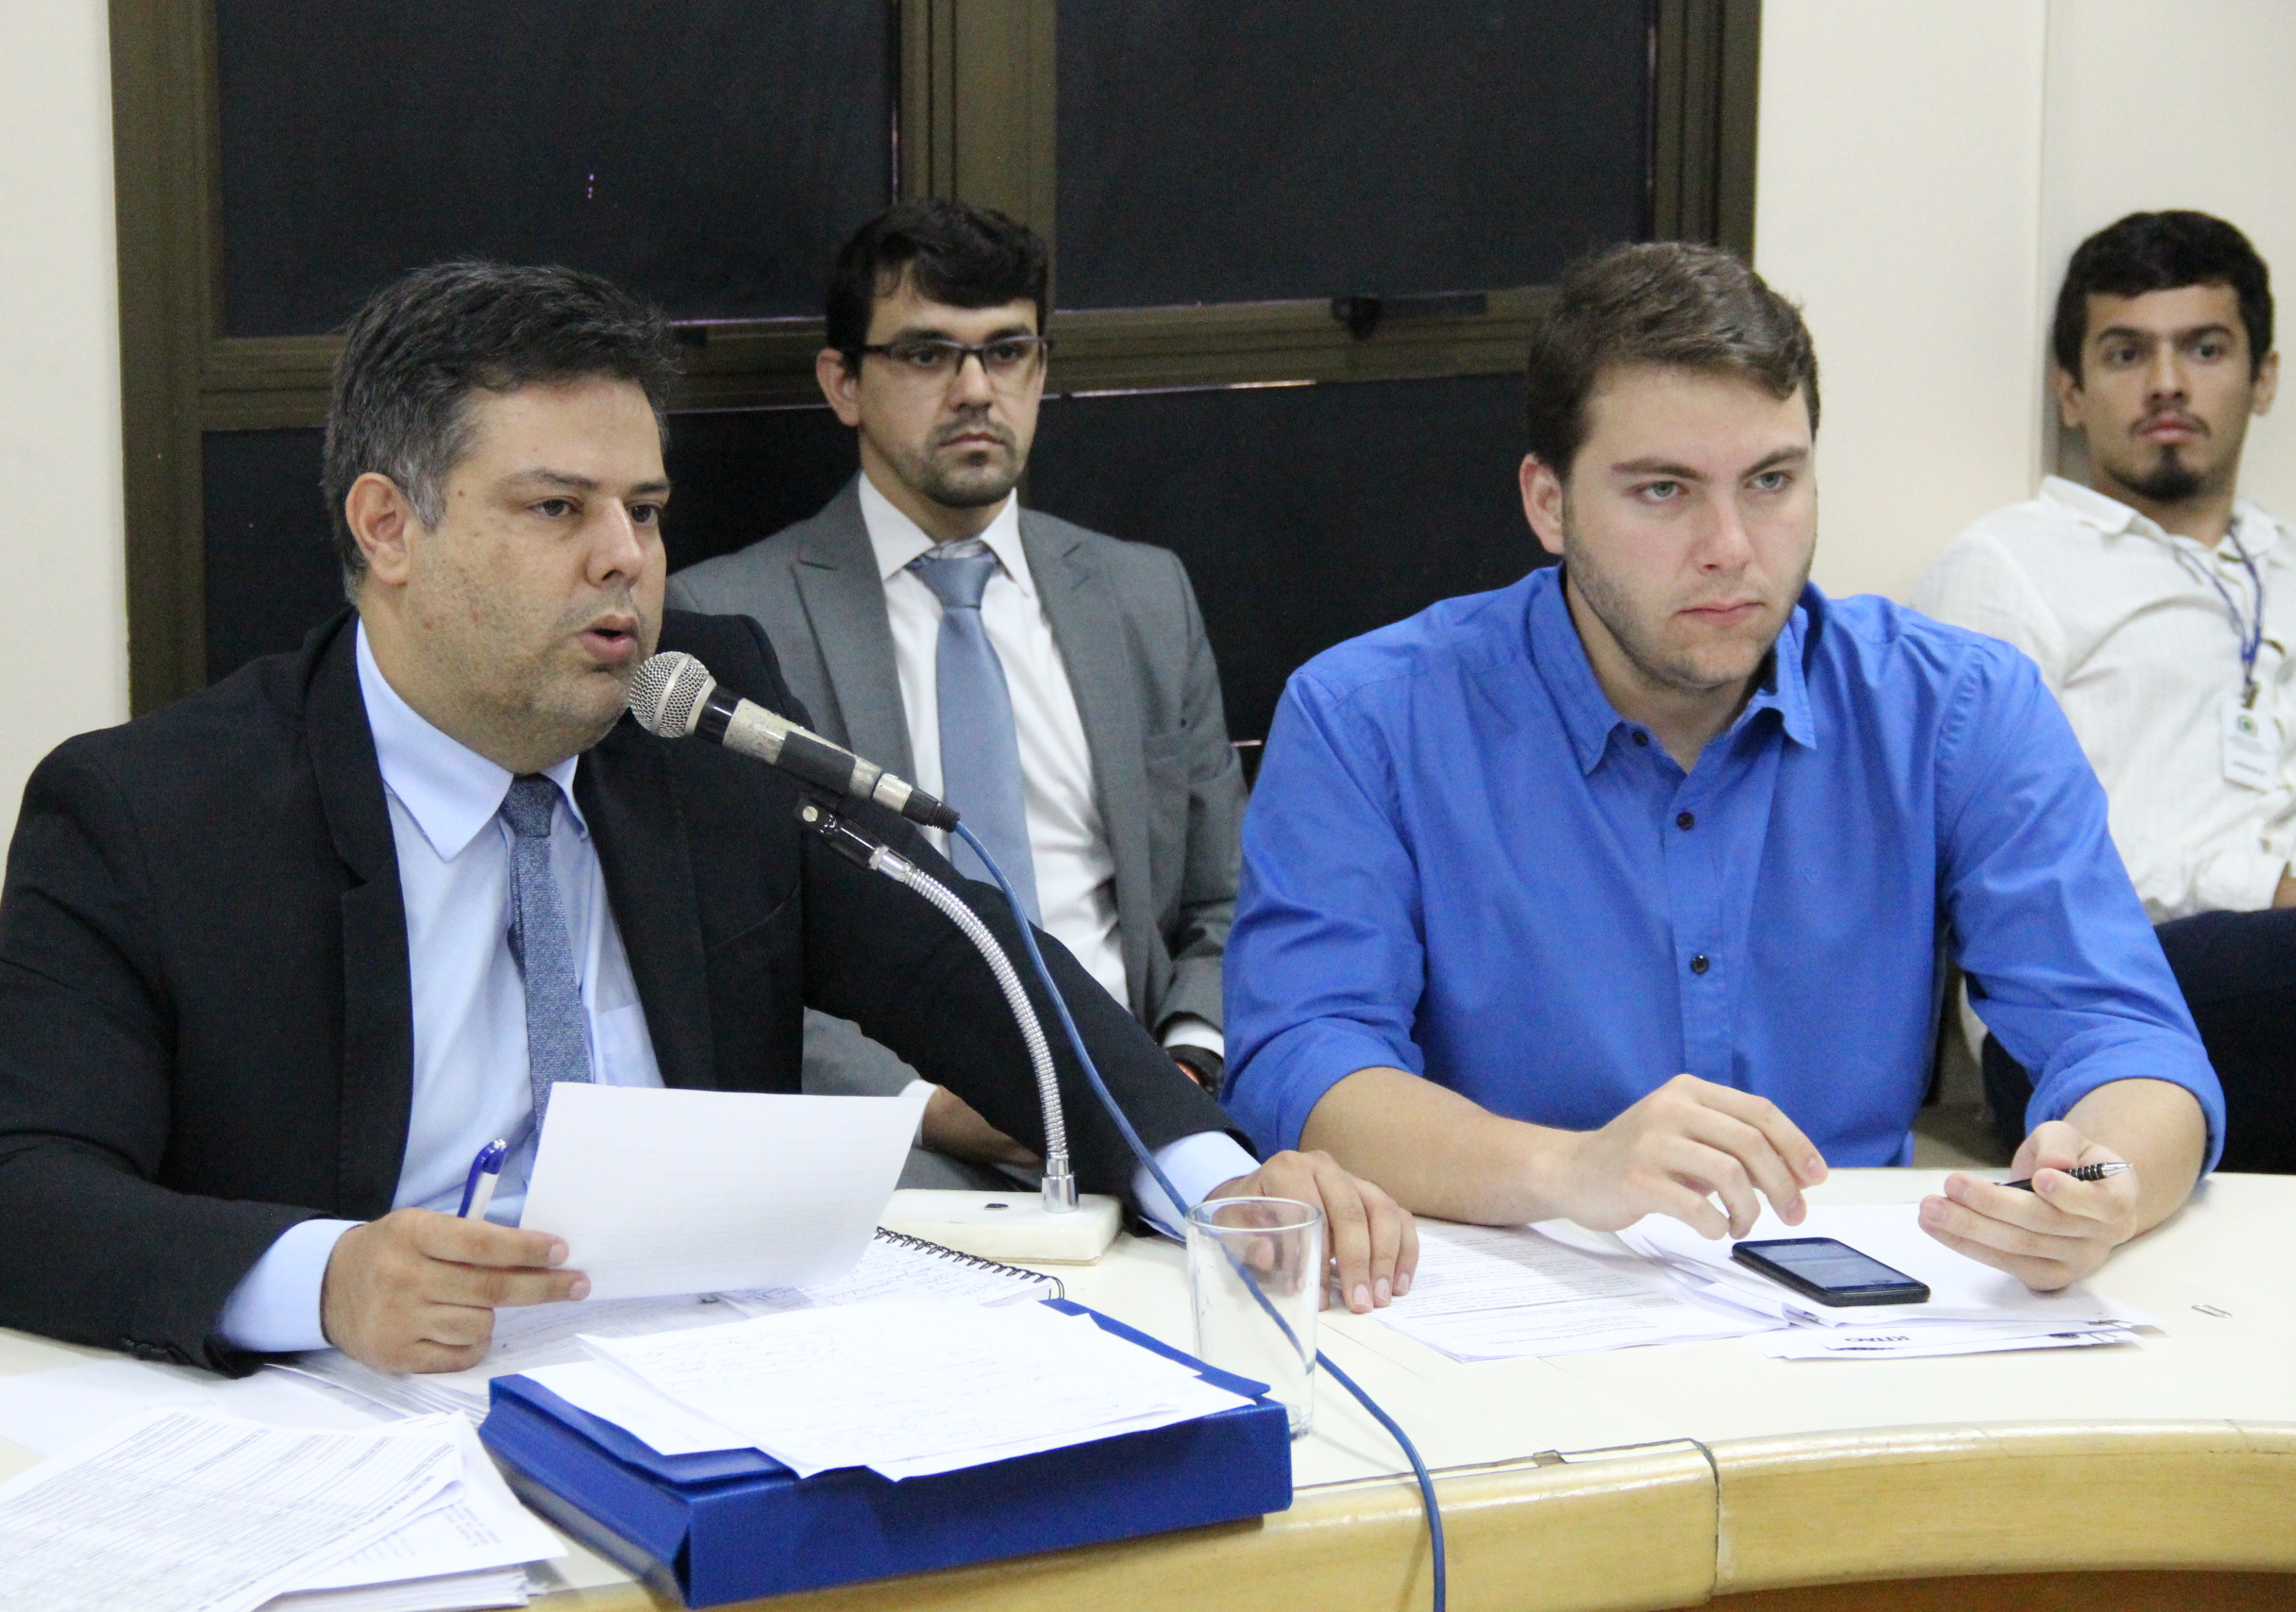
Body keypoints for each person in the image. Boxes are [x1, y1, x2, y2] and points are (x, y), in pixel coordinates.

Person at [0, 260, 1415, 1380]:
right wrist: (326, 1281)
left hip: (707, 1386)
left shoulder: (702, 723)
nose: (625, 562)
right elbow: (8, 1200)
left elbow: (971, 970)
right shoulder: (149, 812)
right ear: (389, 528)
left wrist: (1220, 1184)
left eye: (642, 510)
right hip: (354, 1421)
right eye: (556, 510)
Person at [1222, 241, 2224, 1292]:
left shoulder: (1956, 708)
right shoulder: (1368, 717)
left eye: (1772, 482)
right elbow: (1306, 1060)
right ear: (1549, 503)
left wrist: (2098, 1184)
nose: (1732, 547)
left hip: (1855, 1313)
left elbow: (2128, 1041)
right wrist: (1567, 1169)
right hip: (1509, 1296)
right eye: (1664, 490)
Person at [670, 200, 1244, 1186]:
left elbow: (1223, 899)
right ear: (843, 383)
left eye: (1007, 352)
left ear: (1042, 369)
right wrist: (927, 1108)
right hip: (901, 1154)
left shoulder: (1144, 597)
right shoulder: (726, 619)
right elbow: (723, 951)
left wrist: (1183, 1064)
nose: (977, 390)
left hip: (1150, 1112)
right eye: (928, 355)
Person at [1913, 210, 2290, 1172]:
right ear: (2072, 392)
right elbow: (1982, 843)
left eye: (2205, 349)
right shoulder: (2009, 563)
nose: (2167, 382)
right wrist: (2262, 886)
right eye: (2127, 353)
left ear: (2264, 378)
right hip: (2083, 1006)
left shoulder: (2286, 567)